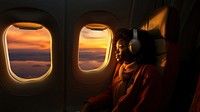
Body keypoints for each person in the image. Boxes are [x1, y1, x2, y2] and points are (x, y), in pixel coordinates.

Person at [80, 28, 162, 112]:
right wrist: (90, 104)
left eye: (121, 47)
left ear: (135, 47)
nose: (116, 51)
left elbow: (143, 107)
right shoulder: (121, 67)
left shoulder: (148, 73)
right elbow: (111, 92)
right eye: (116, 48)